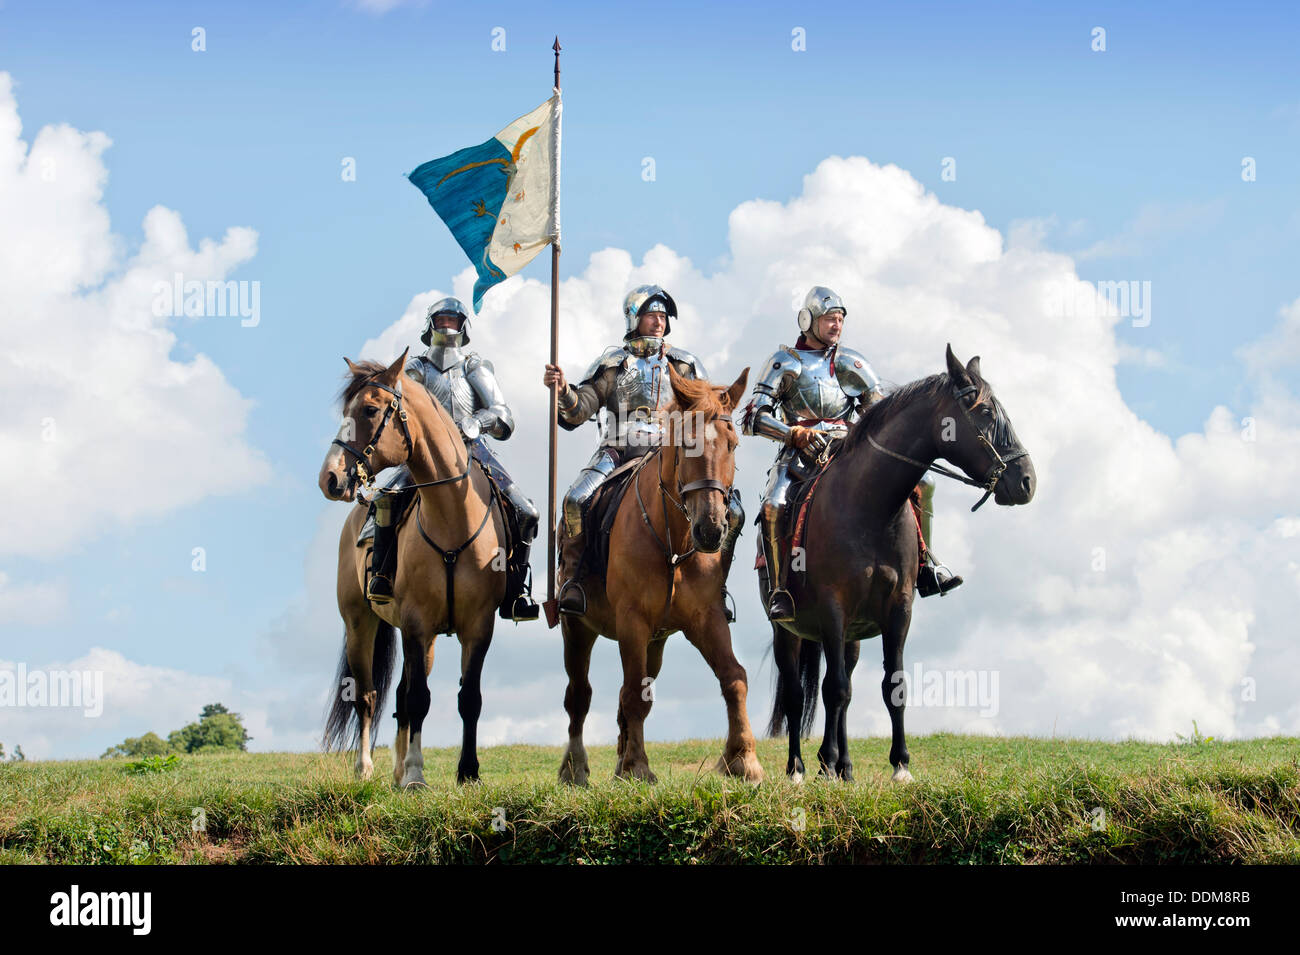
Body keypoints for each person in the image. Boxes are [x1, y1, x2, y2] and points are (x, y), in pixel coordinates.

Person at [742, 286, 962, 622]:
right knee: (773, 506)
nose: (836, 325)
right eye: (830, 319)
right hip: (801, 453)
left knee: (924, 482)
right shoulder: (783, 361)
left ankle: (926, 564)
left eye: (840, 319)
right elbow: (753, 417)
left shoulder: (851, 362)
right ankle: (781, 589)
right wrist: (793, 433)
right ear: (808, 320)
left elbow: (879, 412)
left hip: (849, 448)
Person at [541, 285, 744, 617]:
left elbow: (709, 410)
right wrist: (563, 390)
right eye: (652, 315)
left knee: (732, 509)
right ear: (634, 318)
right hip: (618, 448)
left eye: (663, 317)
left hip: (674, 450)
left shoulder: (686, 364)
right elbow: (580, 409)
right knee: (575, 500)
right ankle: (574, 580)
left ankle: (715, 585)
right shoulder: (613, 364)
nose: (659, 322)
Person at [364, 297, 540, 621]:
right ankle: (383, 575)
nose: (447, 325)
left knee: (526, 511)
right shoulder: (415, 369)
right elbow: (399, 411)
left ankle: (516, 591)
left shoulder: (473, 367)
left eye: (453, 320)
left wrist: (477, 423)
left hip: (473, 450)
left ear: (463, 328)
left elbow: (503, 415)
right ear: (430, 326)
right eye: (442, 320)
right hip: (423, 456)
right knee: (386, 499)